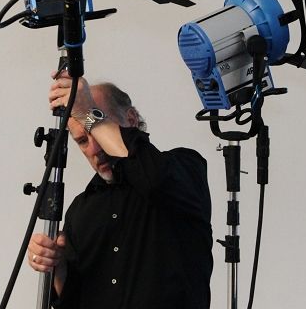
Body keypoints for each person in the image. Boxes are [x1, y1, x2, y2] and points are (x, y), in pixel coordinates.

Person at [27, 72, 213, 309]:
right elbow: (73, 301)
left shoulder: (185, 166)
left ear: (131, 119)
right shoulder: (81, 208)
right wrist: (57, 267)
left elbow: (154, 180)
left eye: (96, 126)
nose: (94, 148)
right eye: (83, 140)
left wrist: (87, 112)